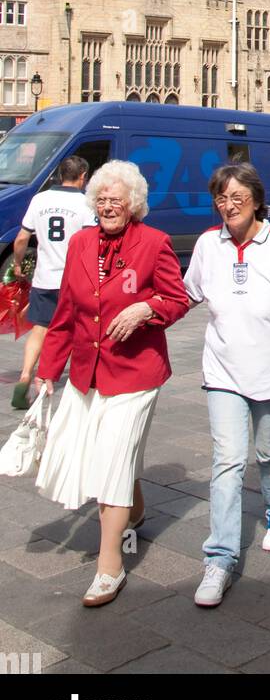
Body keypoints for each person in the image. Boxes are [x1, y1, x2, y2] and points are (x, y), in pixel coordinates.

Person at [33, 161, 190, 606]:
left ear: (133, 204)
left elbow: (177, 299)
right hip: (89, 370)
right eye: (100, 199)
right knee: (112, 454)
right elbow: (65, 313)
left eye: (115, 200)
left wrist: (145, 309)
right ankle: (136, 508)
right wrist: (48, 370)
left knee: (112, 464)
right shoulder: (81, 243)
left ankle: (109, 567)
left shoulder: (153, 243)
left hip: (137, 372)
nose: (107, 206)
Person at [184, 162, 270, 608]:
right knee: (227, 461)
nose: (228, 206)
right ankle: (220, 558)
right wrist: (142, 310)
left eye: (236, 198)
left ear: (258, 201)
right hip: (222, 370)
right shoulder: (209, 244)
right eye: (221, 199)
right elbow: (183, 295)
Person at [10, 155, 94, 410]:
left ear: (59, 175)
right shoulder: (85, 203)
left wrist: (16, 265)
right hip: (74, 278)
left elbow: (22, 239)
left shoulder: (40, 199)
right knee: (79, 329)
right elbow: (91, 242)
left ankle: (26, 374)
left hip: (45, 277)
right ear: (82, 177)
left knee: (40, 328)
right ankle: (65, 379)